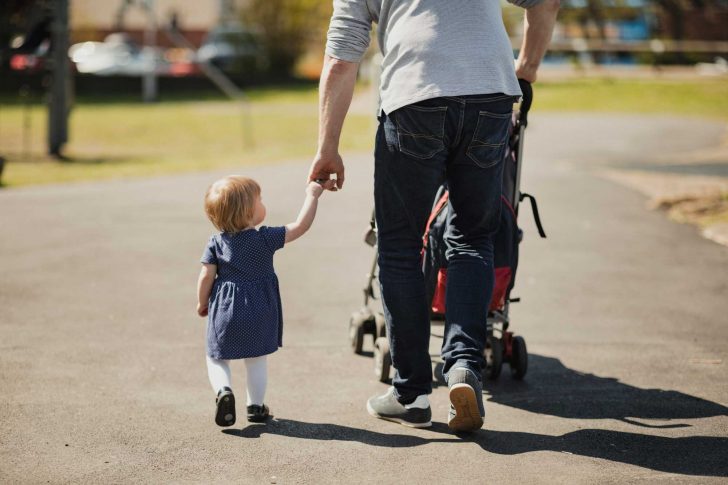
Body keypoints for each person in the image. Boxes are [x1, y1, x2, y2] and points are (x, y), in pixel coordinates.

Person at [309, 0, 560, 431]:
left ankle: (411, 393)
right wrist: (528, 66)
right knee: (473, 237)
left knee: (401, 246)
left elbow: (340, 57)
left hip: (416, 93)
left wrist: (327, 147)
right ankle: (463, 365)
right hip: (492, 94)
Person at [197, 175, 335, 426]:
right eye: (259, 199)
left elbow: (206, 275)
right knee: (257, 358)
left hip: (225, 310)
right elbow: (301, 225)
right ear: (250, 212)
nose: (263, 202)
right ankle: (256, 407)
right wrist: (312, 195)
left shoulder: (216, 243)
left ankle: (224, 391)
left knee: (216, 357)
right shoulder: (265, 238)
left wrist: (202, 302)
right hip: (261, 308)